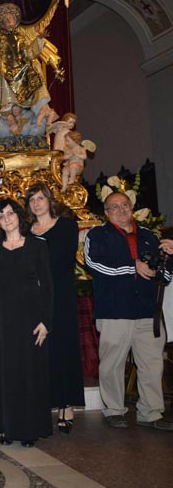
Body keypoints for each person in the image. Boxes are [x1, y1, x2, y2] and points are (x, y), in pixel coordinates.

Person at [84, 191, 173, 431]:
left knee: (152, 364)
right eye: (115, 206)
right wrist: (131, 266)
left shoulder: (148, 236)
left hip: (146, 310)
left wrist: (169, 258)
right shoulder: (97, 234)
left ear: (131, 207)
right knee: (112, 364)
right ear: (106, 212)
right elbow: (93, 264)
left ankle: (151, 412)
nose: (121, 210)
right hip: (115, 310)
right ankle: (114, 410)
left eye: (125, 205)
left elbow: (163, 276)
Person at [0, 199, 53, 447]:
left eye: (10, 213)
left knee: (27, 373)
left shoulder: (37, 247)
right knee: (4, 373)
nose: (6, 218)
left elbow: (48, 286)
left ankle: (28, 430)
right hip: (0, 318)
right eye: (1, 215)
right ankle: (7, 427)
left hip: (29, 317)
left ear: (19, 215)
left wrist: (46, 322)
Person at [26, 183, 84, 433]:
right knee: (40, 350)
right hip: (34, 297)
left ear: (49, 200)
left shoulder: (67, 227)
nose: (37, 203)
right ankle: (43, 402)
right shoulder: (26, 231)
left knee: (63, 348)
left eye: (40, 198)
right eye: (32, 200)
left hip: (60, 295)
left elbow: (59, 261)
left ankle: (65, 404)